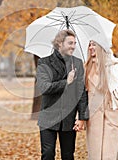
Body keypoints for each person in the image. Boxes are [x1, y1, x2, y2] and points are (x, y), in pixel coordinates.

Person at [36, 29, 89, 160]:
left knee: (68, 155)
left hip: (68, 118)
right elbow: (44, 88)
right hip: (48, 118)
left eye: (75, 43)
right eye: (70, 43)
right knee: (47, 154)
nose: (73, 46)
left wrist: (82, 117)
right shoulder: (44, 63)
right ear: (59, 43)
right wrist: (67, 82)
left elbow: (81, 92)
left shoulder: (77, 63)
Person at [84, 40, 118, 160]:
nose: (91, 48)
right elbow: (82, 94)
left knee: (108, 155)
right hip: (94, 117)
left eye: (94, 44)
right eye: (89, 45)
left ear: (101, 46)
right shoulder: (86, 67)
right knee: (95, 155)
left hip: (112, 113)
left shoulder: (116, 65)